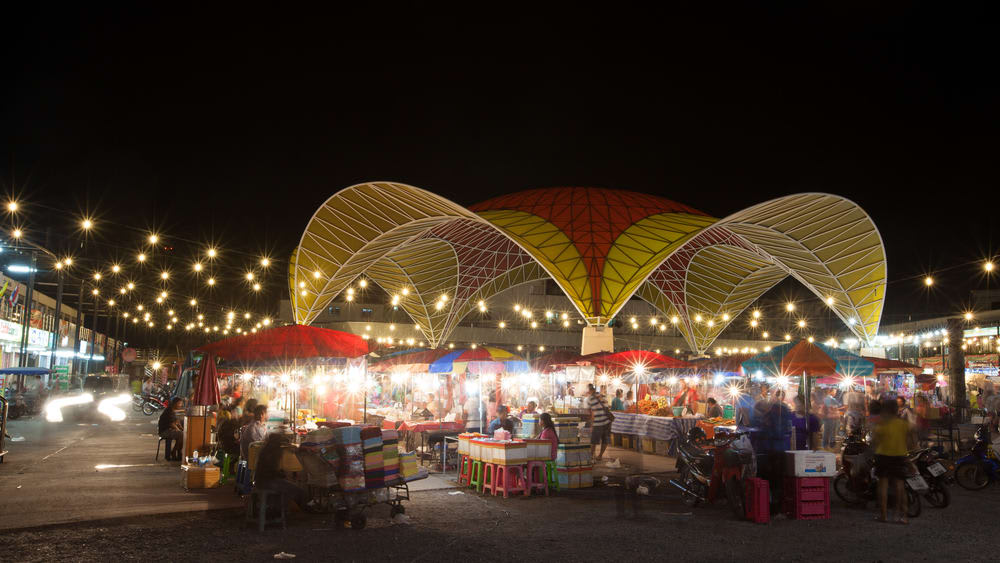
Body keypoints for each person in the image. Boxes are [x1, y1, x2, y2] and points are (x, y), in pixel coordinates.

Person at [873, 399, 913, 524]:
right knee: (900, 486)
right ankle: (903, 516)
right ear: (896, 410)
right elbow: (910, 441)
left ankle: (883, 515)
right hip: (900, 456)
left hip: (883, 456)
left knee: (883, 486)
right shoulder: (903, 424)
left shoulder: (880, 425)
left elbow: (874, 442)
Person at [253, 433, 308, 510]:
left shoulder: (265, 450)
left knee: (292, 488)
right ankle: (304, 509)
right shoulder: (272, 453)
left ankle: (280, 510)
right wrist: (282, 475)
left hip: (261, 481)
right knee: (299, 491)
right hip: (266, 482)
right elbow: (271, 473)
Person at [586, 383, 613, 461]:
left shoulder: (590, 399)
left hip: (598, 422)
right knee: (605, 439)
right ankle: (600, 456)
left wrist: (591, 424)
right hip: (607, 422)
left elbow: (591, 413)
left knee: (594, 440)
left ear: (589, 390)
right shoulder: (603, 396)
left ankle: (591, 456)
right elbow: (607, 406)